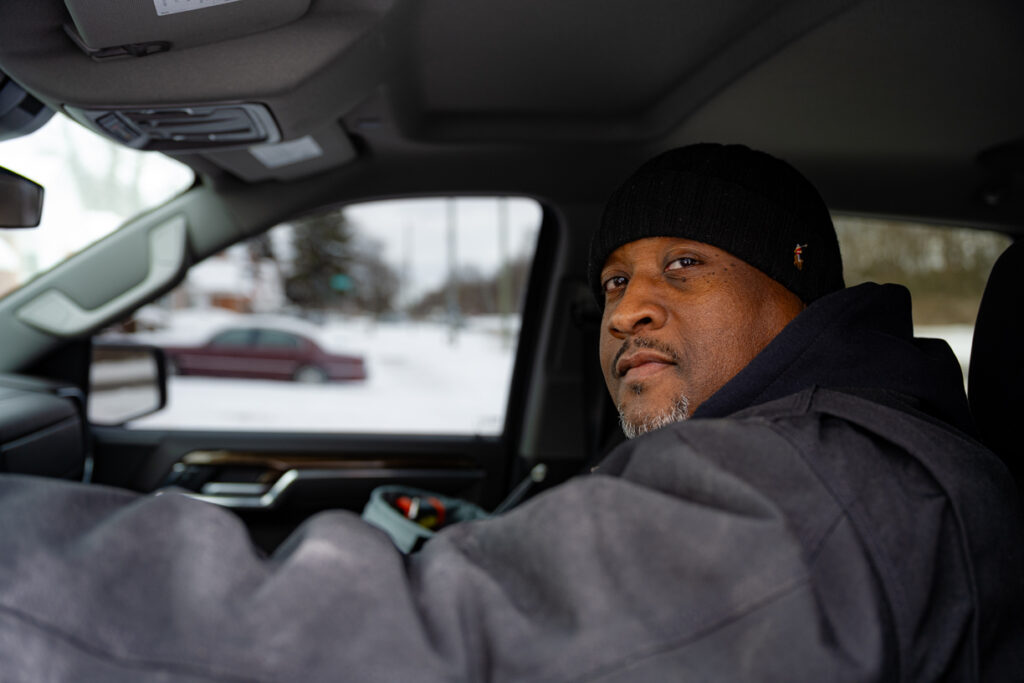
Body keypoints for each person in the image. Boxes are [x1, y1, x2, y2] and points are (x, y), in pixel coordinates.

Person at [0, 144, 1021, 681]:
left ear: (798, 284)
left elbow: (432, 652)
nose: (632, 307)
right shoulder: (821, 452)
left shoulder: (810, 480)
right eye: (615, 281)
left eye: (684, 264)